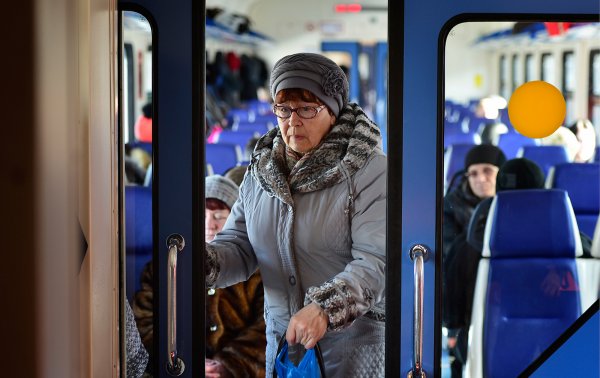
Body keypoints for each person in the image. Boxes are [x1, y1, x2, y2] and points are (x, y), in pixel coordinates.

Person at [205, 53, 386, 376]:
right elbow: (239, 247)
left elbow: (375, 262)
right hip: (284, 343)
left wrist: (325, 308)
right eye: (283, 110)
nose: (293, 121)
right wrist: (203, 264)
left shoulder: (369, 170)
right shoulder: (261, 171)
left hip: (351, 351)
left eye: (306, 109)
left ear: (333, 111)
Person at [133, 175, 266, 377]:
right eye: (202, 215)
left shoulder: (257, 271)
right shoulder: (167, 267)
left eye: (220, 216)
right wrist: (181, 362)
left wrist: (227, 365)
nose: (209, 224)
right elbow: (143, 322)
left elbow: (265, 328)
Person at [442, 144, 506, 378]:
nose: (480, 179)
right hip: (465, 298)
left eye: (488, 171)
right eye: (473, 173)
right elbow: (451, 257)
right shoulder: (451, 205)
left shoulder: (516, 206)